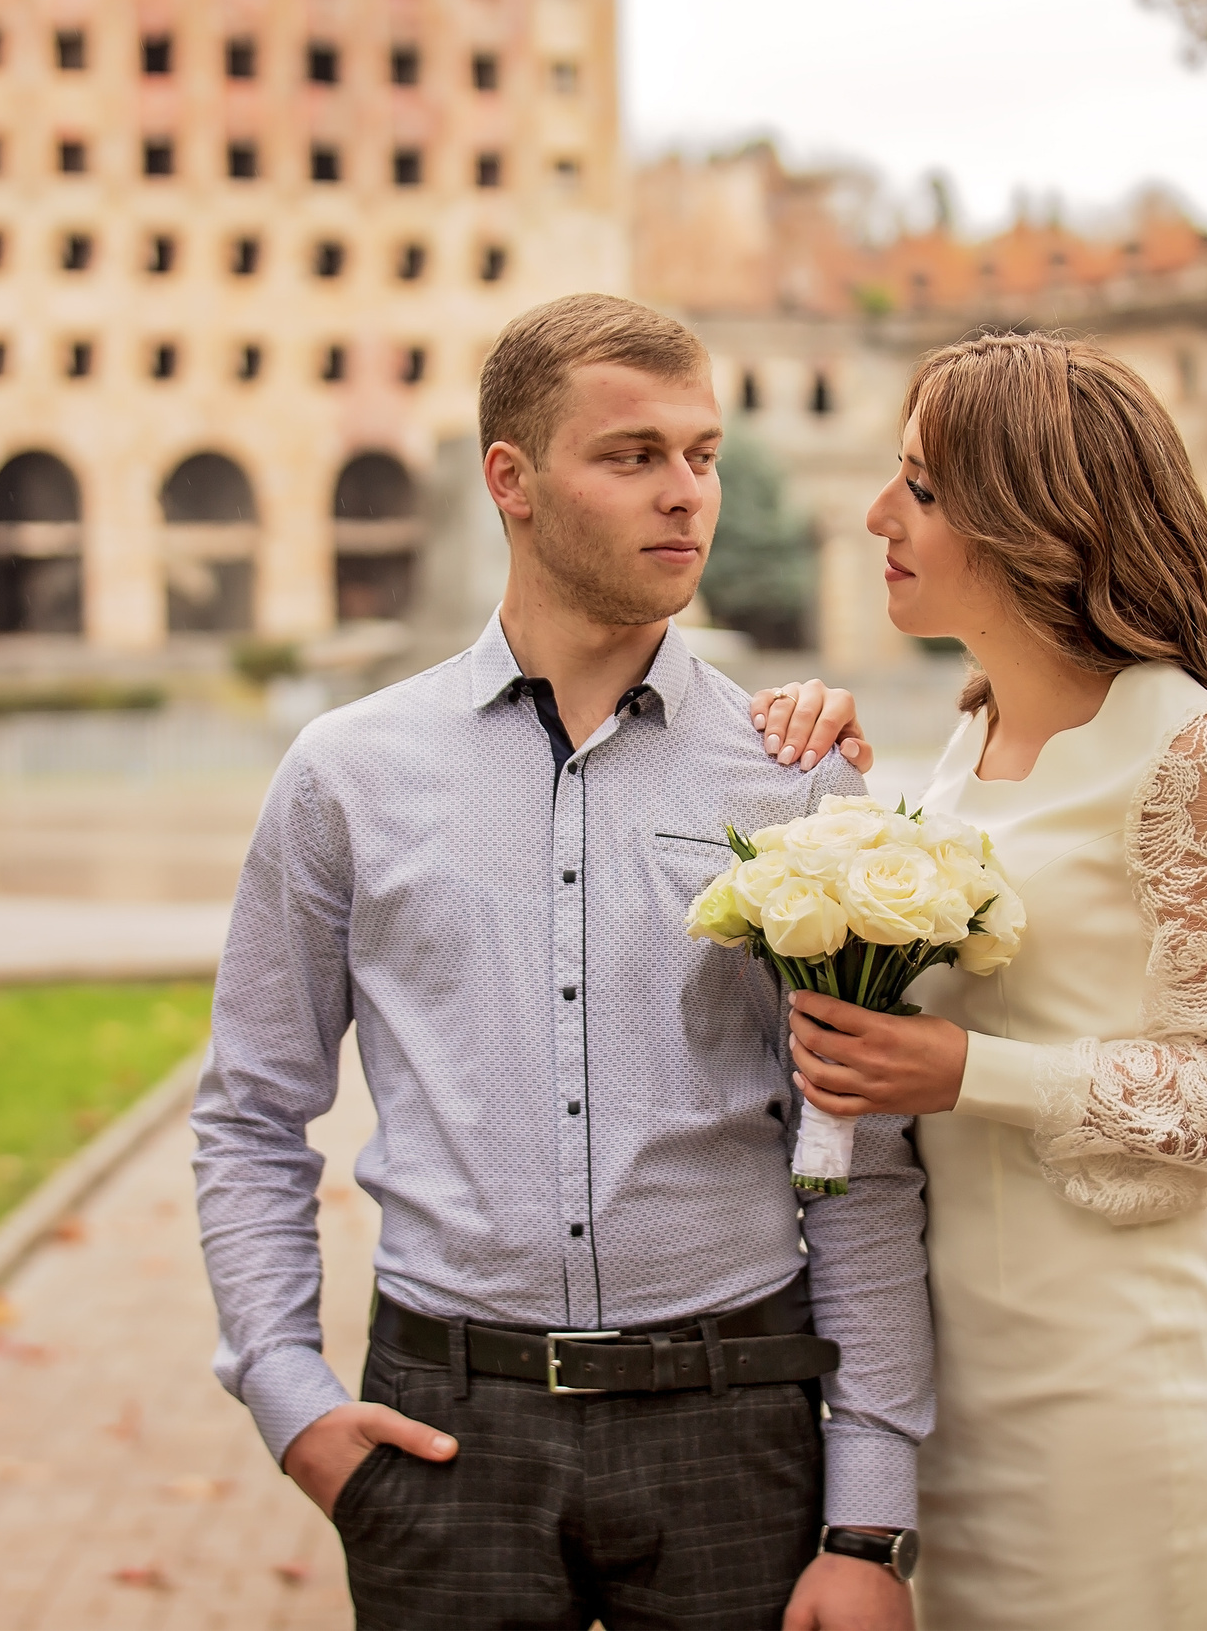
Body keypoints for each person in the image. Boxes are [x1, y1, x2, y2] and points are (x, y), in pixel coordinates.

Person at [192, 293, 934, 1631]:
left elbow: (861, 1147)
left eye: (701, 455)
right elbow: (251, 1111)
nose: (686, 496)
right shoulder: (347, 776)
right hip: (445, 1441)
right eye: (633, 455)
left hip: (738, 1425)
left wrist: (869, 1519)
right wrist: (292, 1402)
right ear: (512, 481)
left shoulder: (795, 779)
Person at [750, 331, 1207, 1629]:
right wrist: (813, 785)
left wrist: (971, 1076)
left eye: (923, 491)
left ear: (1033, 521)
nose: (876, 515)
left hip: (1115, 1403)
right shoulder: (964, 736)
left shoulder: (1191, 744)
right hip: (956, 1414)